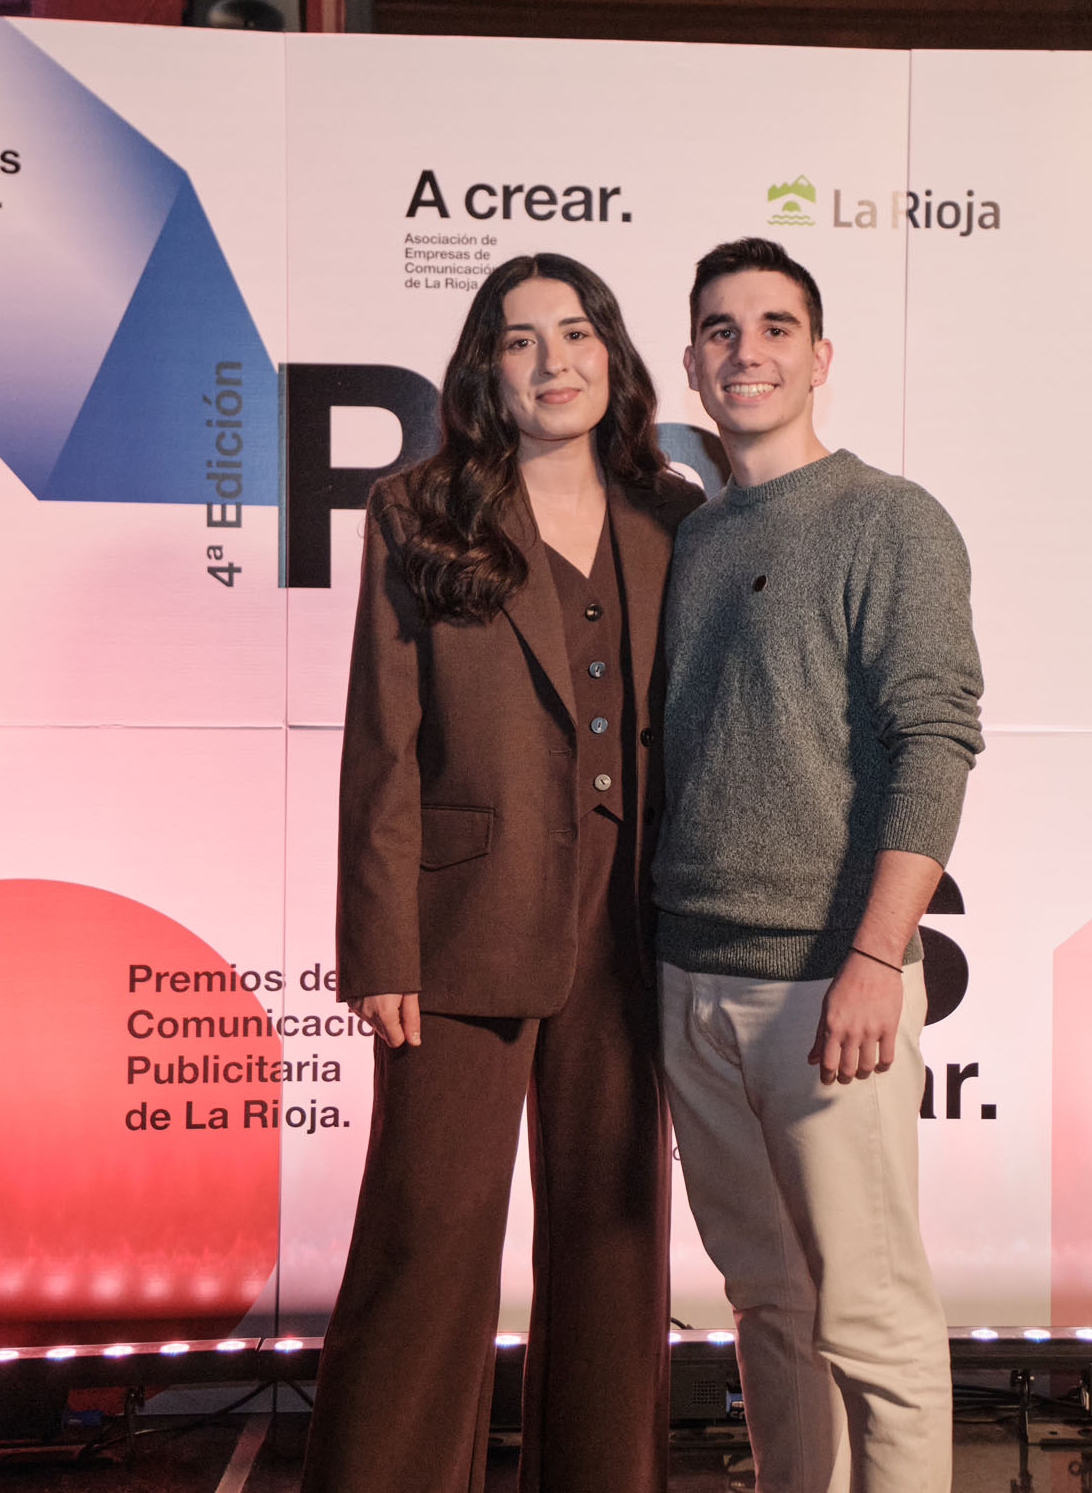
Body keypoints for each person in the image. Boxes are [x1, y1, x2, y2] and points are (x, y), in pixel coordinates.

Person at [301, 253, 705, 1493]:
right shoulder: (417, 509)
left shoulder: (676, 513)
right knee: (426, 1239)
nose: (553, 362)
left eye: (576, 333)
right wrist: (381, 951)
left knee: (614, 1247)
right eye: (521, 340)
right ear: (488, 369)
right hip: (458, 922)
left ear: (613, 353)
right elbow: (382, 745)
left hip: (632, 927)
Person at [653, 238, 985, 1492]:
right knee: (767, 1303)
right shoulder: (690, 539)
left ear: (821, 356)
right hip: (690, 981)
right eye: (722, 330)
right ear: (693, 364)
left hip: (825, 988)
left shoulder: (889, 519)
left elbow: (936, 741)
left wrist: (874, 958)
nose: (748, 351)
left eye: (775, 327)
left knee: (874, 1321)